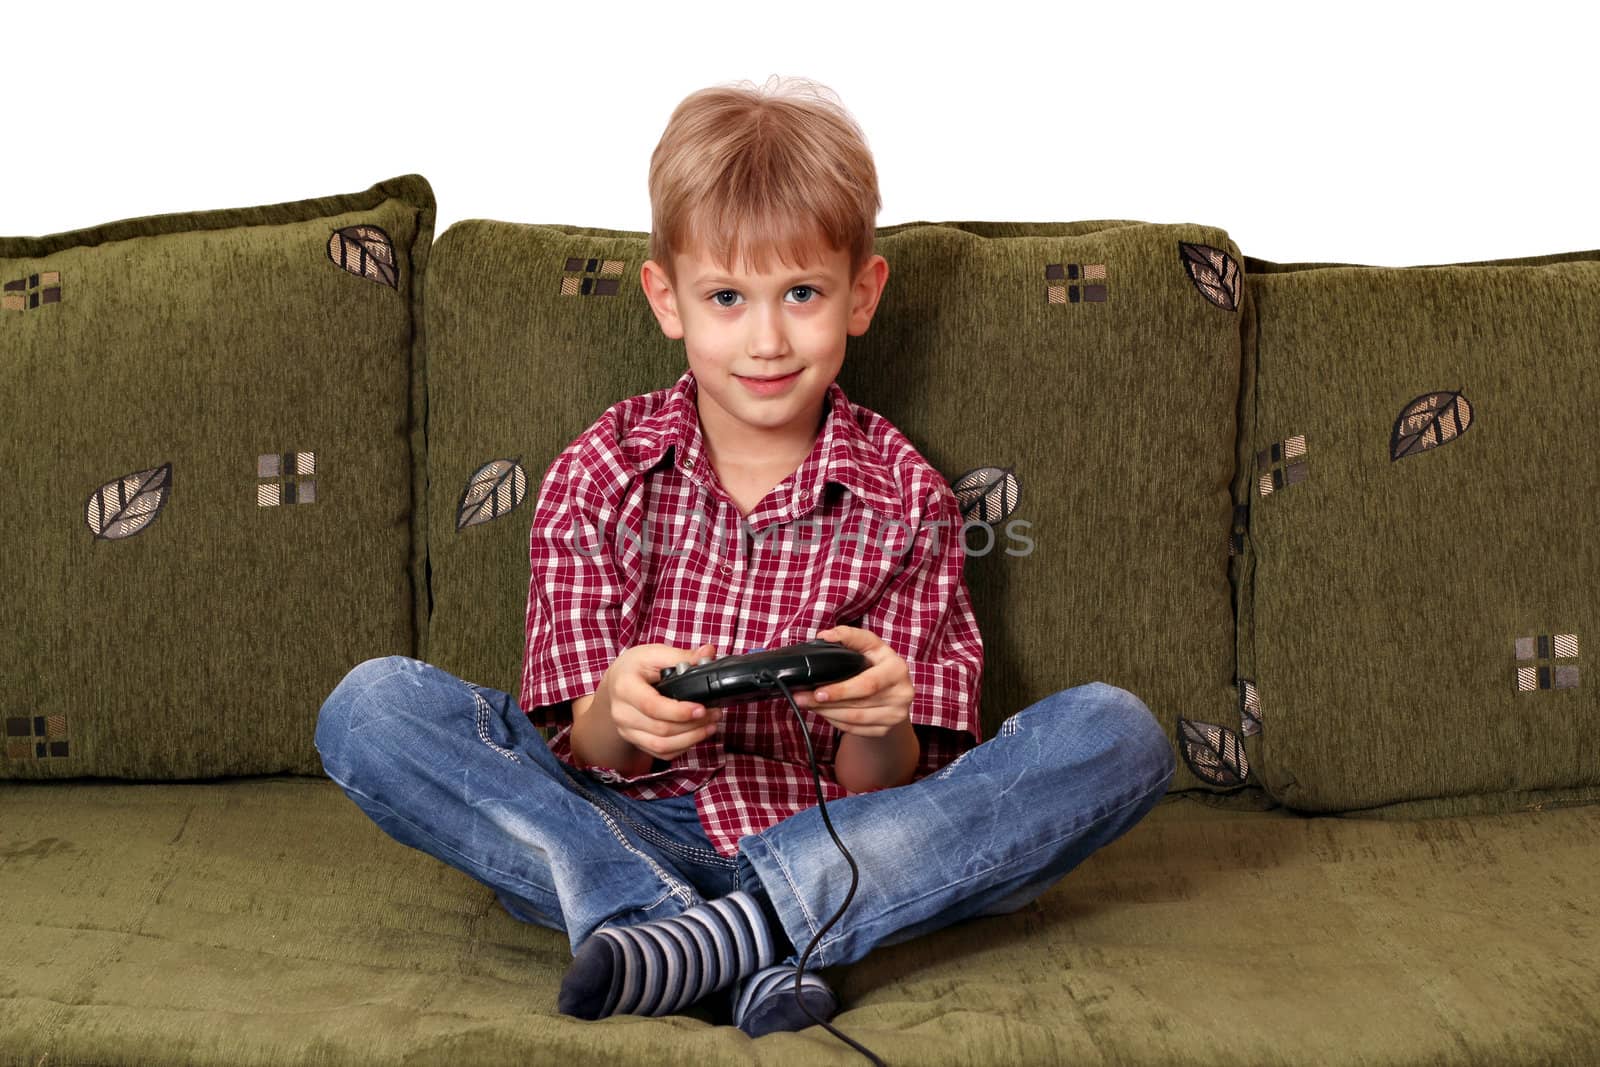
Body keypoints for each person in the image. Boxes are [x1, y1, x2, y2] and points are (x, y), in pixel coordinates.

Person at [314, 75, 1176, 1040]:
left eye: (801, 293)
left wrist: (881, 716)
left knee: (1116, 732)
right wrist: (615, 711)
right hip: (623, 828)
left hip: (842, 838)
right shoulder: (603, 470)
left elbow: (884, 784)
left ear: (862, 294)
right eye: (727, 296)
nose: (767, 338)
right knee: (371, 707)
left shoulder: (906, 495)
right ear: (667, 299)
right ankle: (728, 929)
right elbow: (579, 751)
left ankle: (714, 935)